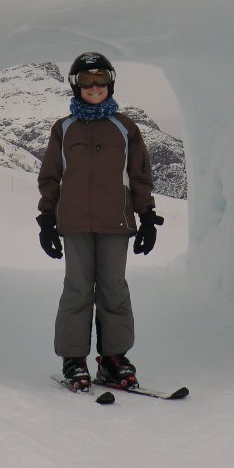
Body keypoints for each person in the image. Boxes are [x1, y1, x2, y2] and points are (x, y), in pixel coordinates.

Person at [36, 52, 164, 392]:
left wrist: (147, 216)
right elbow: (50, 176)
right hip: (74, 223)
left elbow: (139, 176)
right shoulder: (63, 129)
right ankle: (73, 358)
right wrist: (46, 219)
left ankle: (112, 358)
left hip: (115, 223)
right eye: (86, 82)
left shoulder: (125, 127)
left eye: (100, 81)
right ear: (75, 87)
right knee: (77, 289)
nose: (94, 87)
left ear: (110, 83)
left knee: (113, 289)